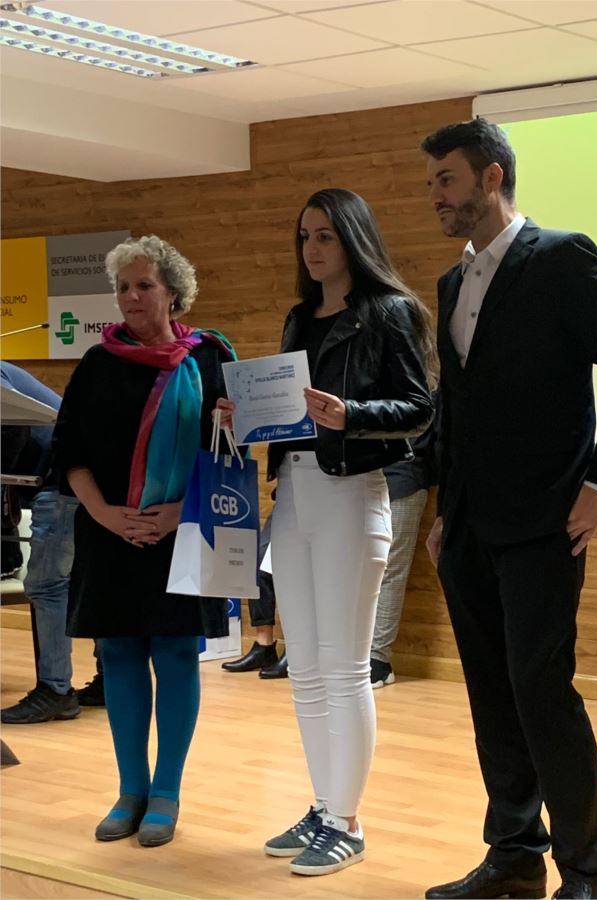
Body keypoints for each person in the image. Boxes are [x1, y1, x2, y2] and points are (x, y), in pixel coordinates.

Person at [421, 119, 597, 900]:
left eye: (446, 180)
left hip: (546, 521)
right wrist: (444, 510)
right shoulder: (451, 282)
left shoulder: (560, 257)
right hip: (469, 528)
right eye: (431, 184)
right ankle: (513, 856)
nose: (435, 197)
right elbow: (456, 408)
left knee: (540, 692)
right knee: (491, 695)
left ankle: (586, 871)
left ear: (491, 178)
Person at [219, 187, 434, 876]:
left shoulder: (391, 311)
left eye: (324, 236)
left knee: (344, 668)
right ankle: (323, 806)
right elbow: (288, 411)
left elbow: (420, 408)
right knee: (305, 668)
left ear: (352, 239)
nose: (311, 249)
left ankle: (346, 821)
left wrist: (353, 414)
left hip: (351, 493)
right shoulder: (299, 317)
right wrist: (245, 415)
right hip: (294, 494)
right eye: (304, 237)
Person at [52, 235, 237, 847]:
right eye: (123, 287)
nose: (131, 297)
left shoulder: (210, 358)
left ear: (173, 293)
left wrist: (180, 513)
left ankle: (166, 793)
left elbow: (229, 454)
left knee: (177, 655)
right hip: (110, 533)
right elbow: (69, 453)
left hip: (185, 530)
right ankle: (130, 790)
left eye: (144, 285)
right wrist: (107, 515)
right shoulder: (96, 363)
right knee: (121, 656)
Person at [0, 362, 91, 724]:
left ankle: (55, 691)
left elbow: (12, 428)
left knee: (48, 585)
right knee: (83, 581)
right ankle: (105, 681)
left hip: (61, 478)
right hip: (72, 476)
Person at [370, 394, 440, 689]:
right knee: (356, 569)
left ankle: (378, 659)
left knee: (390, 568)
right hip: (362, 475)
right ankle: (356, 654)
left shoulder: (431, 380)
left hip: (406, 475)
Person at [222, 515, 288, 679]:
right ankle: (264, 647)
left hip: (319, 507)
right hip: (285, 505)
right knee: (258, 568)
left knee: (295, 571)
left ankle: (297, 650)